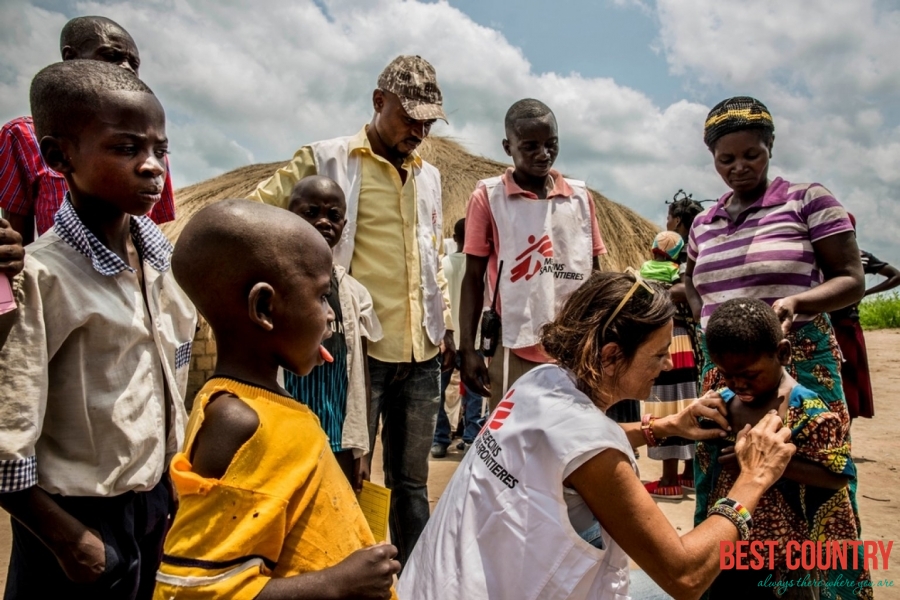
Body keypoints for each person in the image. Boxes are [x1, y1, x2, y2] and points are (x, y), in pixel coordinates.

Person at [398, 271, 796, 599]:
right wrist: (753, 478)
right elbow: (686, 576)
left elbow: (563, 447)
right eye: (658, 354)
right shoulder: (592, 445)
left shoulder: (540, 381)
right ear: (610, 356)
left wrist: (665, 427)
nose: (668, 362)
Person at [0, 60, 196, 599]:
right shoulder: (39, 278)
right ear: (59, 156)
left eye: (160, 150)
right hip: (74, 520)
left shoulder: (163, 268)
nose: (152, 167)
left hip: (152, 503)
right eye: (127, 149)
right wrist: (66, 540)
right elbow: (5, 436)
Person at [248, 55, 454, 565]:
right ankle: (345, 569)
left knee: (411, 481)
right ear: (378, 102)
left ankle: (416, 577)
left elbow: (433, 260)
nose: (419, 129)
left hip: (421, 351)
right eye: (410, 116)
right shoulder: (327, 159)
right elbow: (252, 217)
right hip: (355, 352)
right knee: (346, 469)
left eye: (428, 120)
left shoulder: (429, 177)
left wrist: (444, 323)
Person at [154, 199, 399, 599]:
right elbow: (192, 591)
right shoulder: (237, 421)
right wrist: (338, 583)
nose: (329, 316)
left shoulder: (267, 407)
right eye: (322, 298)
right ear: (265, 307)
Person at [684, 96, 864, 413]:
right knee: (723, 455)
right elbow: (689, 277)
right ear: (713, 157)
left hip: (795, 357)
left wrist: (798, 302)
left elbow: (850, 278)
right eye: (726, 159)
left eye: (751, 155)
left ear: (770, 145)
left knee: (808, 453)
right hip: (724, 369)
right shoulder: (703, 222)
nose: (739, 167)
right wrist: (705, 320)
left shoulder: (808, 201)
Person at [696, 298, 870, 598]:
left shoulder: (809, 412)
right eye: (726, 374)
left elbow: (838, 476)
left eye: (749, 375)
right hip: (732, 544)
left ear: (783, 353)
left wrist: (762, 465)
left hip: (788, 556)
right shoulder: (721, 405)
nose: (738, 384)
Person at [459, 98, 606, 412]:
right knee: (511, 439)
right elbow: (472, 277)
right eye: (530, 147)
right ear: (507, 146)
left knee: (569, 438)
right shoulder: (489, 197)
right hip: (514, 341)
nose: (544, 154)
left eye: (551, 144)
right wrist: (467, 349)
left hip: (572, 346)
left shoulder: (580, 198)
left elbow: (594, 274)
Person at [0, 15, 176, 245]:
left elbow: (152, 226)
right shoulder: (22, 135)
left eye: (133, 63)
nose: (126, 68)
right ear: (70, 58)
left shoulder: (150, 147)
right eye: (111, 56)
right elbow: (15, 235)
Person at [282, 175, 382, 489]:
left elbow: (360, 374)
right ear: (289, 216)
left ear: (344, 224)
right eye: (311, 213)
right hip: (287, 437)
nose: (323, 221)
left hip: (338, 437)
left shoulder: (354, 294)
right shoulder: (274, 283)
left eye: (333, 215)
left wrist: (361, 449)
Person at [639, 230, 699, 500]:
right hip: (686, 343)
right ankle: (690, 475)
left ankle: (668, 480)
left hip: (663, 341)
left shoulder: (645, 273)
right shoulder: (683, 272)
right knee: (688, 402)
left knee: (663, 405)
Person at [829, 214, 900, 420]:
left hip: (844, 325)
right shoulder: (822, 255)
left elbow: (896, 275)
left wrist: (863, 293)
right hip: (828, 323)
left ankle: (842, 437)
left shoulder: (859, 257)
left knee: (846, 381)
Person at [432, 217, 484, 458]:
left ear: (454, 239)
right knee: (475, 392)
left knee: (438, 393)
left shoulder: (444, 264)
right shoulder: (481, 269)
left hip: (447, 340)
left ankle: (440, 439)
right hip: (473, 340)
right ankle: (472, 437)